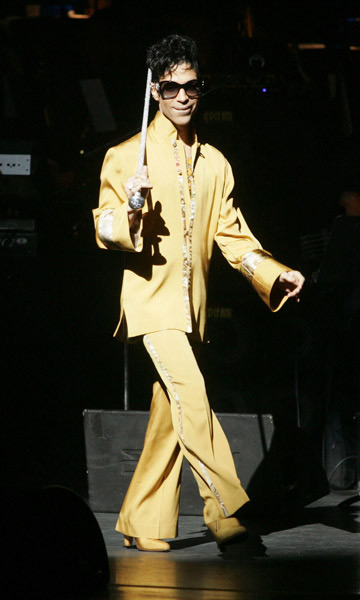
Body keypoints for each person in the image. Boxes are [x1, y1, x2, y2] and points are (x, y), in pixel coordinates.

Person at [93, 33, 305, 552]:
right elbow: (104, 228)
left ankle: (142, 520)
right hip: (151, 306)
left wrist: (274, 272)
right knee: (194, 399)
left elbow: (233, 237)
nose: (184, 96)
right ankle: (226, 511)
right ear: (154, 90)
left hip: (193, 311)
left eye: (192, 86)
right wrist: (134, 208)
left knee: (173, 416)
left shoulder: (215, 163)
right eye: (171, 87)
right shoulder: (126, 157)